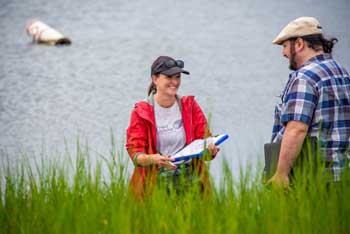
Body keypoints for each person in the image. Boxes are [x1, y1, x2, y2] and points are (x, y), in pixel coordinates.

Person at [267, 16, 350, 187]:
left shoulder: (304, 78)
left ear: (299, 44)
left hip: (315, 179)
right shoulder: (341, 71)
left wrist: (281, 174)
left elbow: (297, 128)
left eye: (284, 46)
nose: (283, 53)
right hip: (343, 174)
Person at [126, 56, 220, 197]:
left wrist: (211, 150)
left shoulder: (190, 106)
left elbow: (204, 140)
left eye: (177, 77)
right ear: (155, 79)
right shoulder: (141, 111)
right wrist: (154, 159)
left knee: (196, 219)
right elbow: (135, 155)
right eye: (169, 77)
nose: (175, 82)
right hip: (156, 180)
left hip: (191, 178)